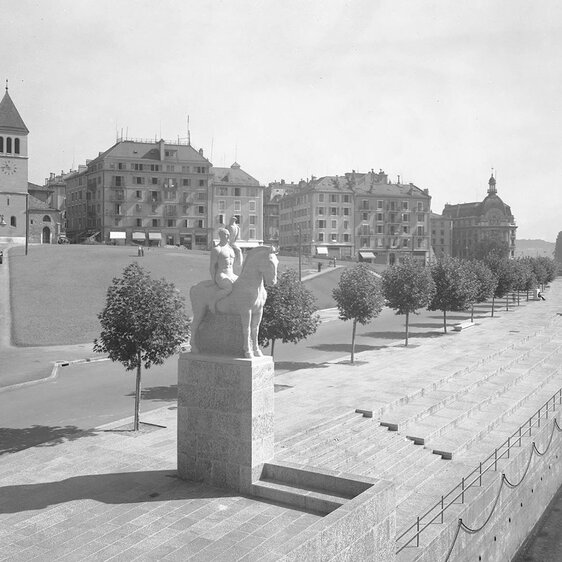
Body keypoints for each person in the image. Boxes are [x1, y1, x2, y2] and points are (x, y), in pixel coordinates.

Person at [209, 228, 239, 312]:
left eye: (228, 234)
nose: (227, 236)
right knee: (228, 288)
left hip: (231, 274)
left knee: (242, 285)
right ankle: (212, 302)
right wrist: (213, 279)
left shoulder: (231, 249)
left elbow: (238, 264)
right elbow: (212, 266)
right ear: (221, 236)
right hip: (221, 274)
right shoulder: (217, 249)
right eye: (225, 234)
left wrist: (239, 252)